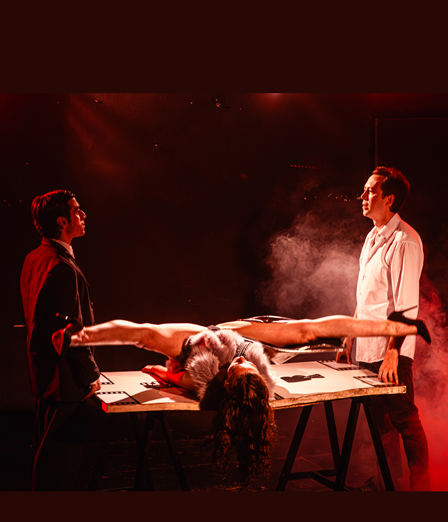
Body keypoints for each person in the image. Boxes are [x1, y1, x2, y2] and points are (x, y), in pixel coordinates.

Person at [55, 312, 430, 488]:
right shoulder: (253, 367)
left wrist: (162, 375)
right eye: (243, 367)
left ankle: (77, 338)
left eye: (235, 369)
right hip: (251, 338)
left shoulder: (205, 374)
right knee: (309, 332)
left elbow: (144, 341)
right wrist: (398, 327)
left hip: (202, 345)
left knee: (151, 338)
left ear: (227, 381)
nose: (238, 363)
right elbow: (321, 327)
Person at [337, 166, 430, 491]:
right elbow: (367, 297)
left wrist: (392, 354)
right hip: (367, 346)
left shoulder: (405, 241)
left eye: (370, 191)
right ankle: (389, 483)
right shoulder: (373, 236)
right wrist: (349, 336)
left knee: (405, 420)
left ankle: (422, 487)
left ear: (389, 199)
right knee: (381, 424)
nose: (362, 196)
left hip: (392, 352)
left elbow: (406, 306)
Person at [20, 190, 101, 490]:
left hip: (44, 377)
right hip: (65, 383)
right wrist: (90, 374)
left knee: (46, 457)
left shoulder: (34, 258)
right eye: (76, 210)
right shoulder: (61, 266)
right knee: (60, 467)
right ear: (61, 221)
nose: (83, 215)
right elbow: (69, 333)